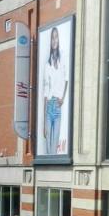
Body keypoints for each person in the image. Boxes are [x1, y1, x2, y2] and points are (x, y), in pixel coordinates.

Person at [41, 25, 68, 155]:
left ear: (59, 39)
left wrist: (62, 98)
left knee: (54, 146)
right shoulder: (47, 65)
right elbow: (45, 91)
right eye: (52, 38)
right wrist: (43, 123)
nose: (54, 40)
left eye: (56, 37)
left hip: (57, 106)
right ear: (50, 41)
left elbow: (67, 80)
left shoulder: (63, 61)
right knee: (48, 145)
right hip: (49, 105)